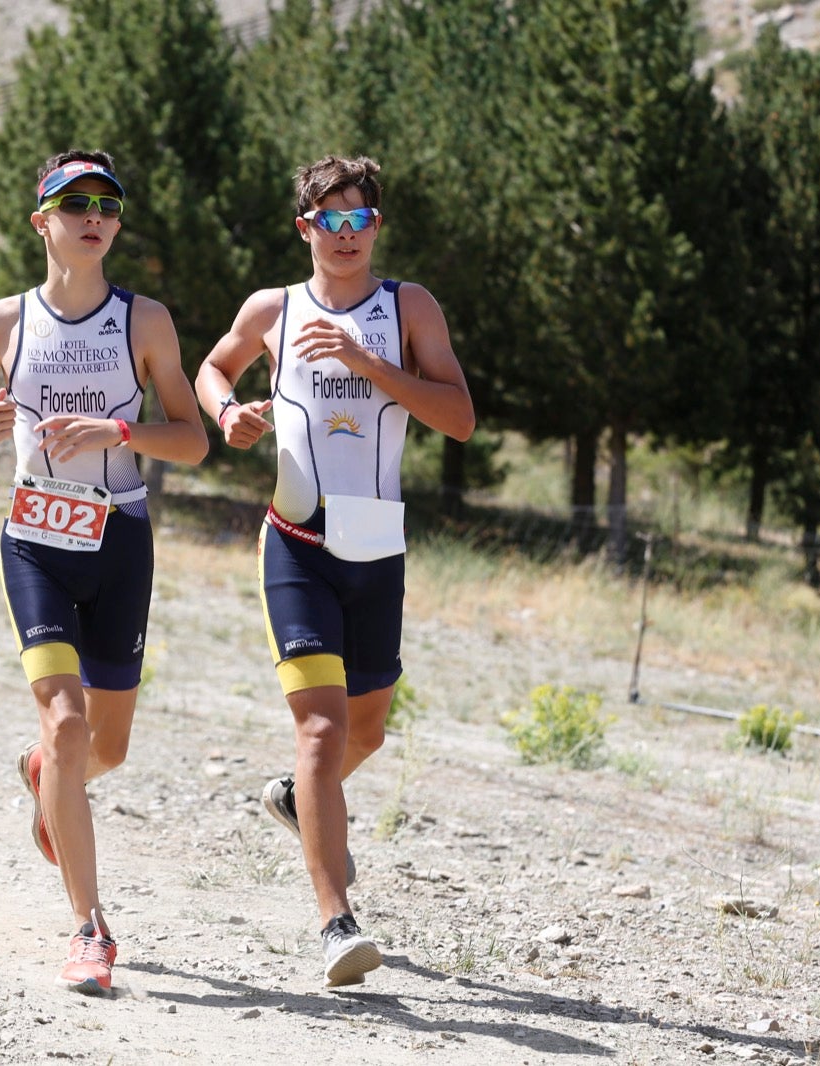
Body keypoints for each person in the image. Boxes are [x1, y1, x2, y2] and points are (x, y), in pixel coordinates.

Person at [196, 155, 474, 988]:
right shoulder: (272, 309)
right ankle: (334, 922)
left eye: (359, 221)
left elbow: (457, 418)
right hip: (296, 540)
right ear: (305, 229)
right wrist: (228, 413)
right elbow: (214, 369)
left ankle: (296, 799)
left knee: (367, 731)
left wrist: (370, 365)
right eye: (329, 221)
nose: (344, 235)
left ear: (375, 228)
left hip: (377, 544)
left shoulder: (408, 308)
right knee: (320, 730)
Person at [0, 149, 208, 995]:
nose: (95, 215)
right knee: (65, 724)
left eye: (109, 203)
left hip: (119, 538)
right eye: (76, 202)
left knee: (108, 747)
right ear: (42, 222)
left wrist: (121, 435)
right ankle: (90, 931)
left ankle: (46, 778)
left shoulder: (146, 322)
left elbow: (194, 440)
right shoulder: (2, 321)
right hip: (34, 539)